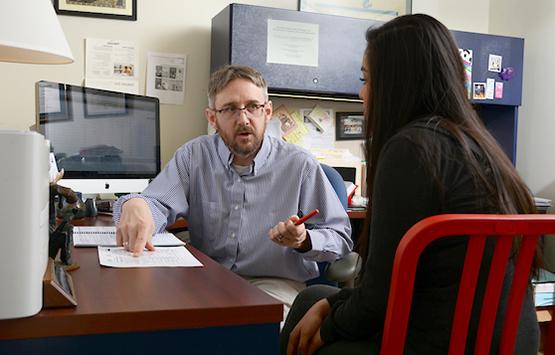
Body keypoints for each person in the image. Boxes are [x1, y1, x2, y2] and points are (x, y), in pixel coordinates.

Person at [281, 14, 539, 355]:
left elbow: (379, 295)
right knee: (315, 299)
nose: (361, 92)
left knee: (309, 325)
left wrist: (329, 329)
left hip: (444, 343)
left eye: (367, 79)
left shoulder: (411, 149)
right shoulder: (480, 145)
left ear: (396, 84)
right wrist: (332, 307)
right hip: (508, 341)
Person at [113, 64, 353, 321]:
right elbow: (156, 203)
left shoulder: (301, 165)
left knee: (252, 338)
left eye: (253, 107)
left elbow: (340, 237)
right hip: (206, 279)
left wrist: (303, 241)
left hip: (273, 284)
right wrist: (137, 204)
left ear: (267, 112)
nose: (243, 119)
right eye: (229, 109)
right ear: (212, 117)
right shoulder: (194, 156)